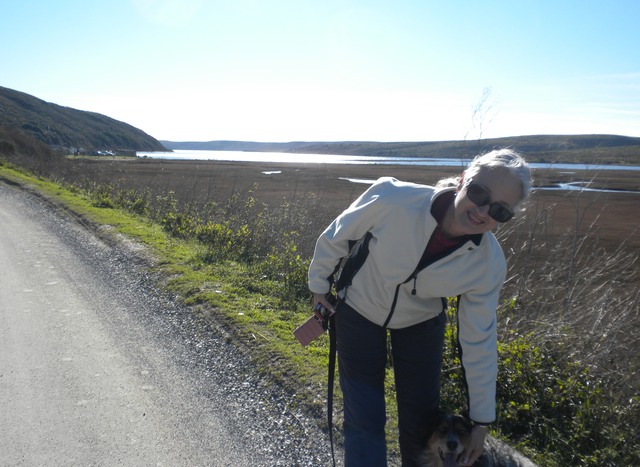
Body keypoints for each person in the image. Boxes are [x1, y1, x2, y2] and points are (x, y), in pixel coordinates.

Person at [308, 149, 532, 466]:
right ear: (462, 180)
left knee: (419, 428)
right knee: (364, 418)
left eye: (500, 210)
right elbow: (338, 235)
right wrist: (319, 285)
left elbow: (478, 340)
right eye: (479, 192)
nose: (483, 210)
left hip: (421, 325)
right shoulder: (393, 199)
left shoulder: (488, 263)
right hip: (359, 309)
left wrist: (481, 421)